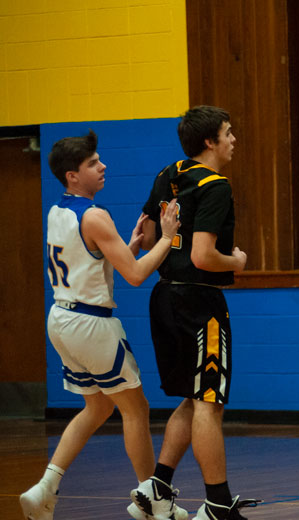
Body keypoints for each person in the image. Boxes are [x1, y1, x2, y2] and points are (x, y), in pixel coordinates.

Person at [21, 130, 181, 520]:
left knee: (96, 407)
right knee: (136, 409)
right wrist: (167, 237)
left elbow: (92, 265)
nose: (103, 165)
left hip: (61, 318)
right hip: (92, 324)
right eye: (93, 162)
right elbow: (137, 276)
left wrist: (130, 245)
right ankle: (154, 502)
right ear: (73, 175)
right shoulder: (95, 215)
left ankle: (45, 487)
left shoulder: (58, 211)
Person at [134, 106, 257, 520]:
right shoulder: (215, 185)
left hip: (164, 297)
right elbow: (205, 256)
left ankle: (158, 487)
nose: (233, 139)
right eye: (228, 132)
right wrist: (236, 260)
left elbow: (150, 235)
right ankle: (218, 502)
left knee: (191, 398)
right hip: (199, 302)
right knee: (209, 401)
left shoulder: (166, 174)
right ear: (210, 142)